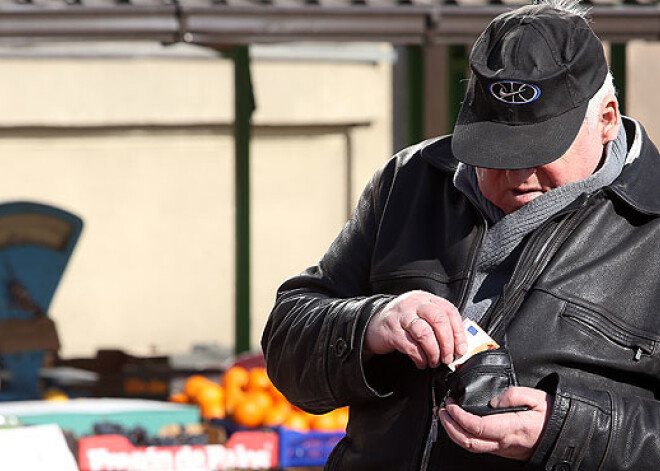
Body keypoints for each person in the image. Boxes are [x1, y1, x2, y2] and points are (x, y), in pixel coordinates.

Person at [261, 0, 660, 469]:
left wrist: (567, 430)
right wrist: (369, 324)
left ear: (607, 119)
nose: (516, 173)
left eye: (539, 150)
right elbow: (288, 342)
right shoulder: (411, 180)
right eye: (495, 149)